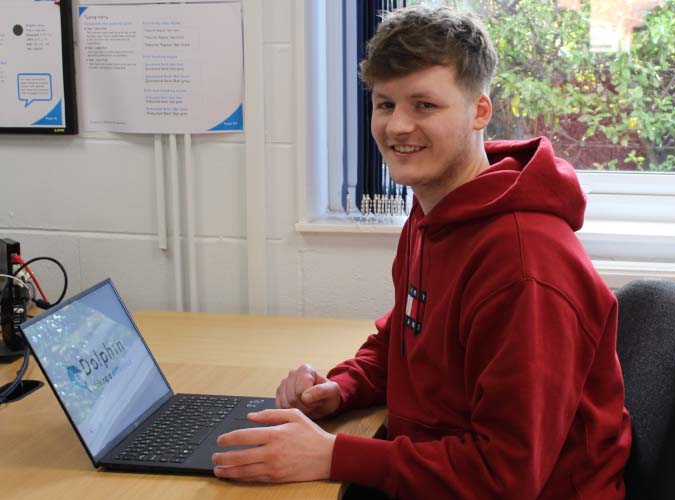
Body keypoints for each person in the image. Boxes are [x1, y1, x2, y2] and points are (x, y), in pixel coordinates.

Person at [212, 5, 631, 498]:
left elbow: (507, 476)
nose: (397, 127)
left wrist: (331, 455)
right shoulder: (436, 211)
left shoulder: (523, 264)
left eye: (424, 105)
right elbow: (406, 340)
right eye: (385, 104)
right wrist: (342, 388)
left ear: (479, 111)